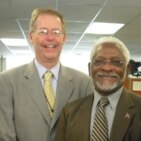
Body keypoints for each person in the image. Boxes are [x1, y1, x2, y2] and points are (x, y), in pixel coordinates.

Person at [0, 8, 93, 141]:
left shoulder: (84, 84)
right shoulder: (6, 82)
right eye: (43, 31)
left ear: (64, 38)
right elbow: (5, 137)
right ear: (31, 37)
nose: (50, 37)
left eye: (56, 32)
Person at [55, 36, 141, 141]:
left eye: (116, 62)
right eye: (99, 61)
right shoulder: (69, 113)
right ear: (89, 69)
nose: (107, 68)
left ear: (127, 70)